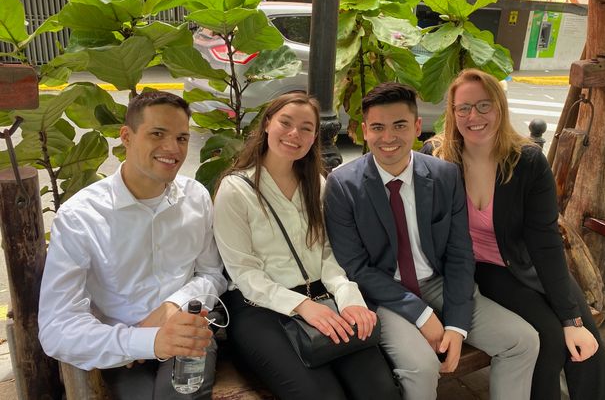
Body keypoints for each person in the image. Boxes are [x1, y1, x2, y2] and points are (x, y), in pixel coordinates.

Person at [324, 82, 540, 400]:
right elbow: (356, 268)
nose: (388, 138)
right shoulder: (342, 185)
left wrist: (456, 325)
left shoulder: (443, 175)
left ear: (417, 126)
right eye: (378, 127)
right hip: (382, 293)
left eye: (399, 125)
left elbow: (458, 252)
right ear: (364, 131)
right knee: (422, 368)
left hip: (437, 282)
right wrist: (422, 315)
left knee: (523, 340)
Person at [423, 68, 605, 400]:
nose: (474, 116)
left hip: (528, 261)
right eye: (464, 107)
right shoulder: (438, 158)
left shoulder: (526, 161)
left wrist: (572, 317)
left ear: (500, 107)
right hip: (483, 269)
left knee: (586, 340)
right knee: (551, 338)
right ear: (452, 113)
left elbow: (545, 240)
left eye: (484, 105)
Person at [38, 91, 227, 400]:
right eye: (157, 134)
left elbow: (212, 275)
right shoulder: (81, 216)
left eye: (182, 138)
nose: (172, 148)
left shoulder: (195, 197)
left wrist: (171, 306)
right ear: (126, 136)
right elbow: (57, 327)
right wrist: (147, 340)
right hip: (120, 344)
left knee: (180, 393)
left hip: (187, 328)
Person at [213, 93, 400, 400]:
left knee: (379, 391)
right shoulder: (236, 190)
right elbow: (244, 273)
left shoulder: (318, 184)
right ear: (267, 123)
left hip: (322, 297)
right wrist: (301, 306)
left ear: (315, 136)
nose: (293, 134)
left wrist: (349, 299)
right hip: (260, 309)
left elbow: (329, 253)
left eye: (305, 128)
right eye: (285, 123)